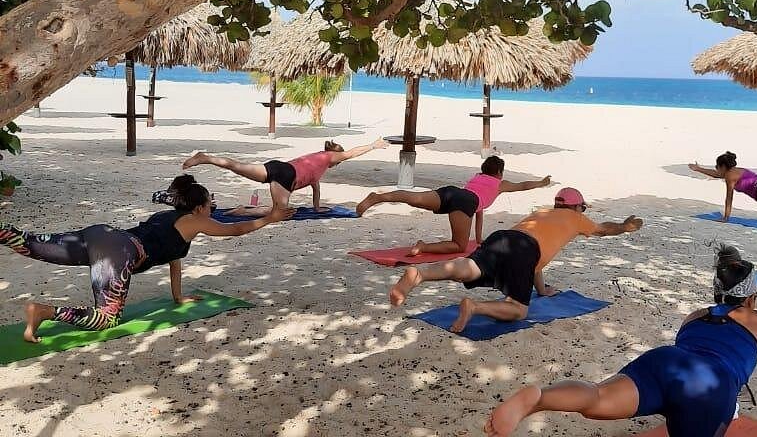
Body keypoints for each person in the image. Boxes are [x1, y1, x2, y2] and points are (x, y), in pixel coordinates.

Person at [485, 244, 757, 437]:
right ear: (752, 297)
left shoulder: (695, 315)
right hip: (710, 384)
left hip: (665, 361)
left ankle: (539, 396)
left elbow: (696, 344)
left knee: (597, 396)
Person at [0, 175, 294, 343]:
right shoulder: (195, 221)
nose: (212, 206)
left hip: (101, 235)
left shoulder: (168, 216)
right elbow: (236, 230)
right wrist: (271, 217)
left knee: (30, 244)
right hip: (117, 252)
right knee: (106, 320)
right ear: (200, 207)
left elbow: (174, 258)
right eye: (210, 203)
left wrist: (178, 297)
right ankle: (42, 312)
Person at [389, 187, 642, 332]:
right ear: (577, 208)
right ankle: (475, 307)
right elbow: (603, 229)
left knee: (469, 268)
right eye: (583, 209)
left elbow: (533, 264)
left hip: (504, 237)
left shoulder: (541, 213)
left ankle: (420, 274)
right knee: (519, 310)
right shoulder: (576, 219)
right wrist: (624, 226)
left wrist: (541, 290)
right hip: (524, 249)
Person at [356, 156, 550, 256]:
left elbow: (479, 213)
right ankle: (423, 247)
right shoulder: (499, 184)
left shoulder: (477, 179)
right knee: (459, 246)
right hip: (464, 202)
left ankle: (378, 197)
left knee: (413, 198)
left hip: (451, 192)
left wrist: (480, 238)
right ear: (499, 172)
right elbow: (523, 185)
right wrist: (541, 183)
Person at [182, 138, 387, 215]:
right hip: (286, 176)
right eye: (339, 160)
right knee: (279, 213)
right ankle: (242, 211)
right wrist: (372, 146)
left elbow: (316, 188)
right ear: (336, 155)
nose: (339, 161)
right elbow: (352, 153)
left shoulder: (316, 161)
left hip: (279, 167)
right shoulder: (330, 156)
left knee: (236, 166)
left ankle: (205, 158)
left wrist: (317, 207)